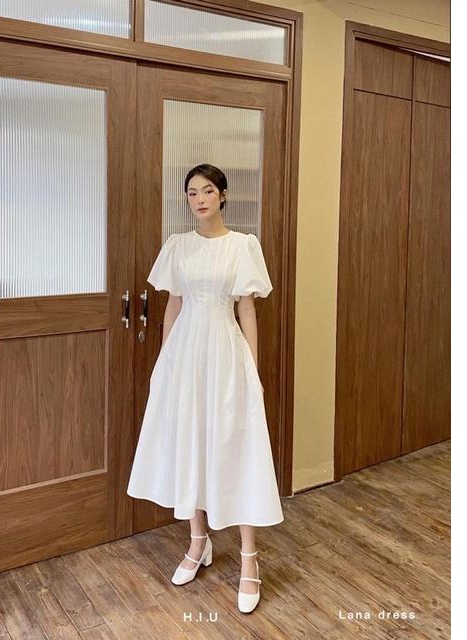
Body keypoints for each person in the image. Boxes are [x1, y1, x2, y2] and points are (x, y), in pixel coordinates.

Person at [126, 163, 284, 614]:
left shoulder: (242, 246)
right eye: (192, 192)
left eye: (208, 190)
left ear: (223, 195)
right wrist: (163, 363)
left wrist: (253, 371)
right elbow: (173, 306)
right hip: (185, 356)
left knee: (238, 448)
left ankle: (250, 558)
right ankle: (198, 541)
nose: (199, 199)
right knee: (189, 443)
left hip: (226, 354)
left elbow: (247, 311)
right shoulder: (178, 246)